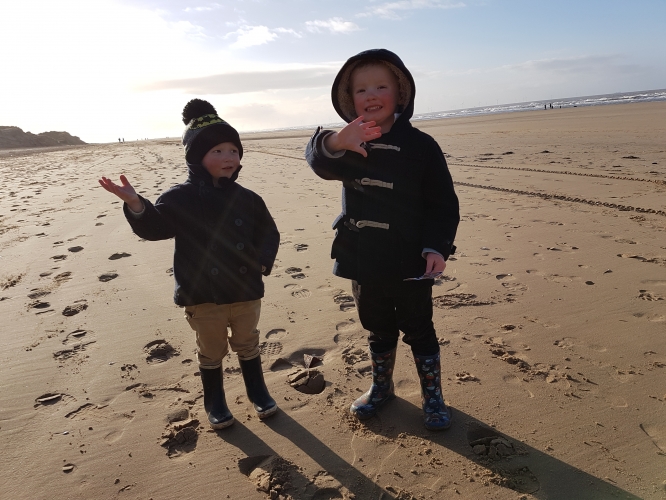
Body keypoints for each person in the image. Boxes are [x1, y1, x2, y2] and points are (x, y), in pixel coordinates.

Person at [99, 99, 280, 429]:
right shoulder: (179, 197)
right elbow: (156, 228)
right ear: (197, 157)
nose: (228, 157)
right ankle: (214, 399)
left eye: (233, 150)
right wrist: (136, 204)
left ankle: (257, 390)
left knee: (247, 341)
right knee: (211, 348)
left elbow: (268, 232)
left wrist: (262, 264)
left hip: (246, 290)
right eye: (217, 151)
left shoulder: (248, 198)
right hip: (202, 294)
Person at [305, 49, 460, 431]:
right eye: (361, 89)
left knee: (419, 328)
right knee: (377, 327)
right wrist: (336, 140)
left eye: (380, 86)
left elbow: (443, 204)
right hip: (364, 258)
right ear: (349, 99)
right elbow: (318, 161)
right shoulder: (347, 143)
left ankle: (432, 396)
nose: (371, 95)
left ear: (400, 93)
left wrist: (437, 246)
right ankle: (382, 387)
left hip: (410, 260)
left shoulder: (422, 146)